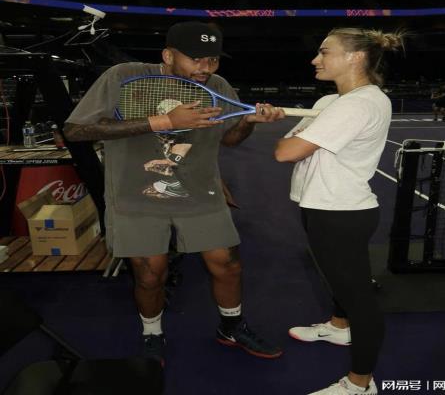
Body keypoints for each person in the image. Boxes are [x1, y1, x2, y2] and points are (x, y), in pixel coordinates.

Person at [64, 21, 285, 365]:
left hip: (201, 193)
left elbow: (229, 139)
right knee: (150, 275)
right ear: (168, 55)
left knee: (227, 265)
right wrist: (164, 122)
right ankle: (152, 334)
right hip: (135, 197)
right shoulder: (124, 76)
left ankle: (231, 327)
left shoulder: (218, 86)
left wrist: (247, 123)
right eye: (196, 59)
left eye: (213, 59)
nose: (205, 68)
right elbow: (75, 130)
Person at [274, 27, 406, 395]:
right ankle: (338, 326)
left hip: (340, 211)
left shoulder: (358, 104)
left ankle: (360, 384)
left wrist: (295, 137)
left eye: (325, 52)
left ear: (355, 57)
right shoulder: (330, 101)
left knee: (358, 297)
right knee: (337, 280)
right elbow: (295, 141)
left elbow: (286, 151)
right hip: (321, 203)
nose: (315, 59)